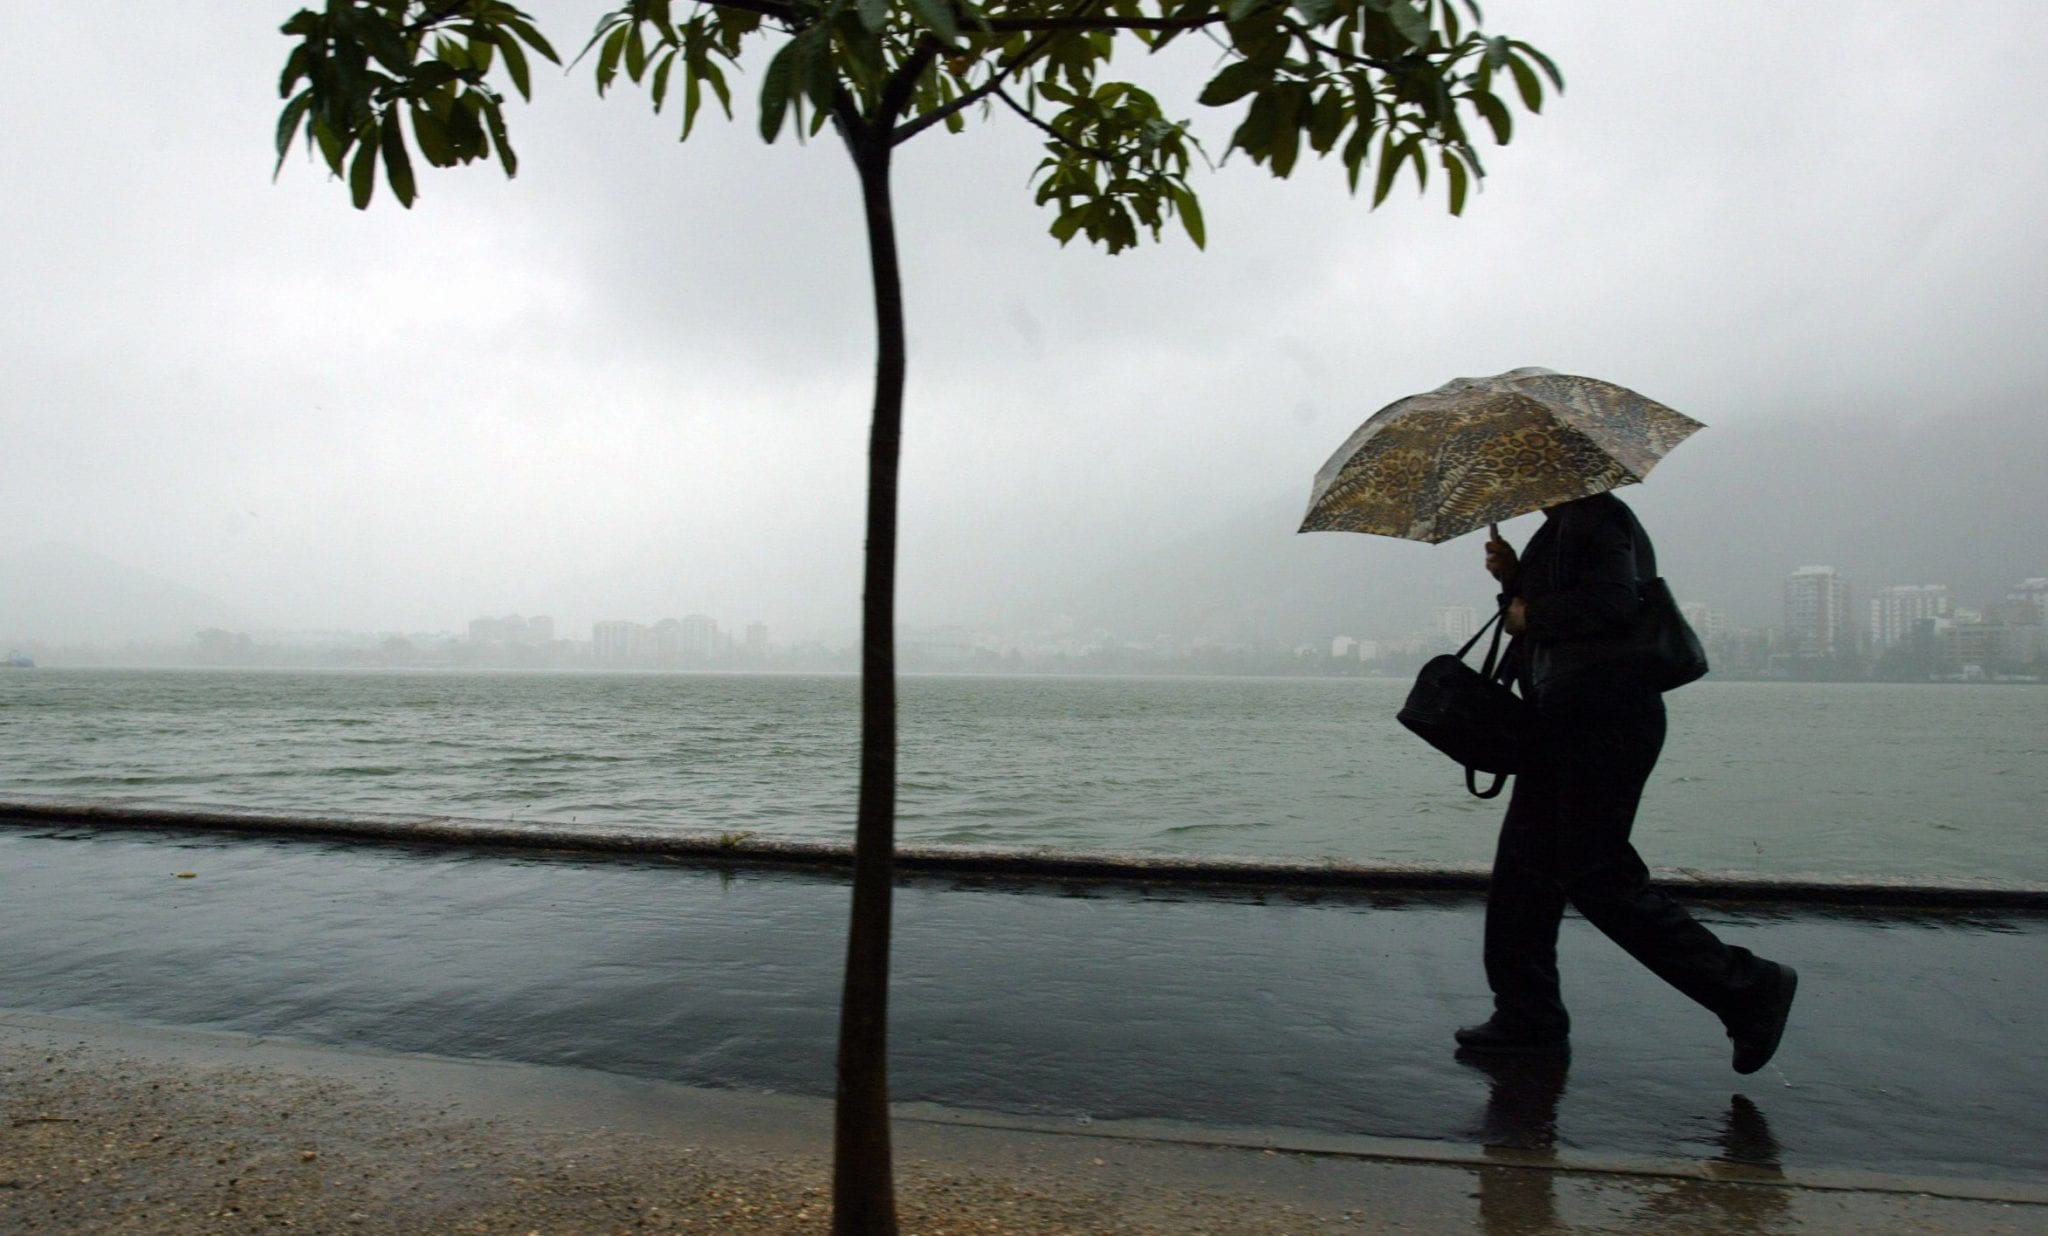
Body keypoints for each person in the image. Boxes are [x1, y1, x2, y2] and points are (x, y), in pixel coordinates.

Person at [1456, 490, 1797, 1074]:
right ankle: (1527, 1017)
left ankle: (1747, 987)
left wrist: (1531, 611)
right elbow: (1555, 625)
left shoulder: (1598, 518)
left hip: (1604, 721)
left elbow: (1613, 607)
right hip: (1565, 720)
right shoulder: (1562, 527)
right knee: (1523, 873)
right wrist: (1515, 579)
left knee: (1597, 873)